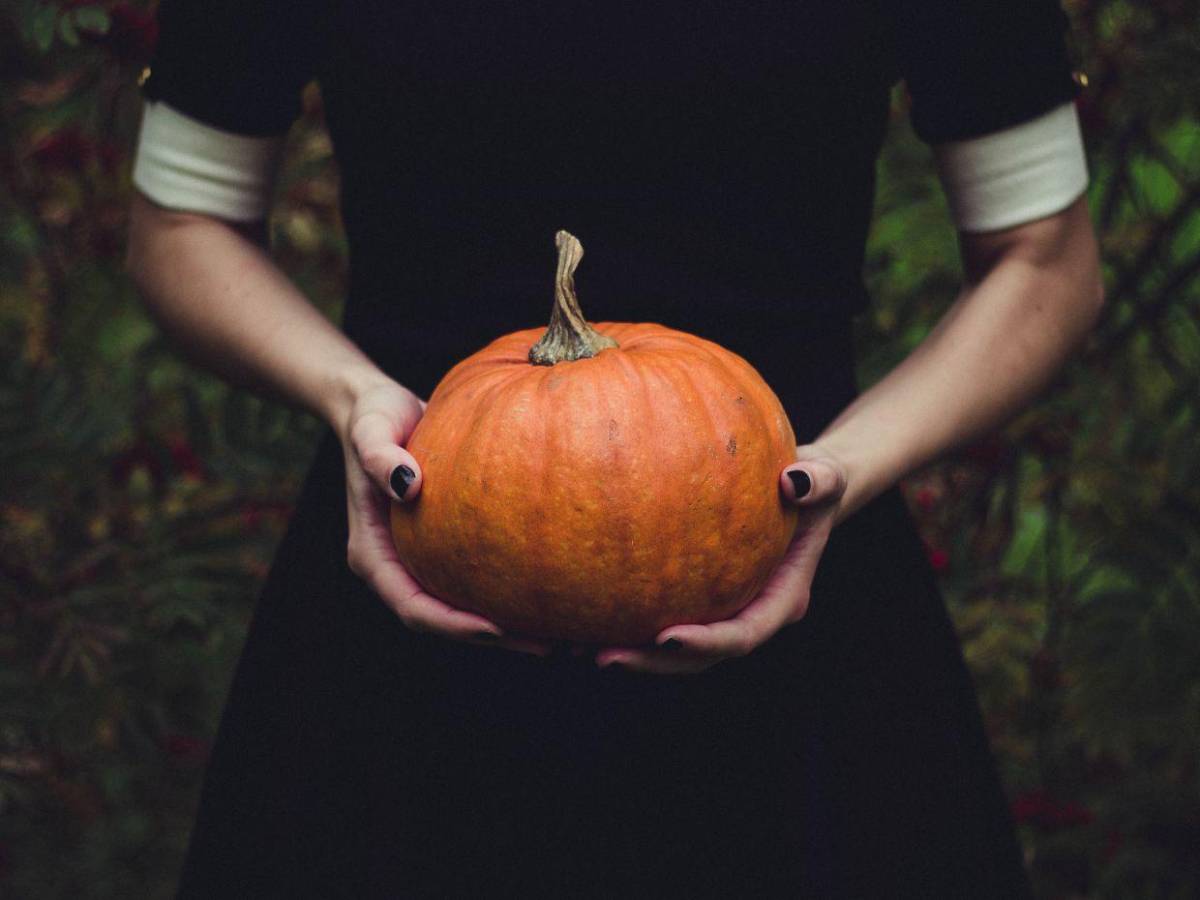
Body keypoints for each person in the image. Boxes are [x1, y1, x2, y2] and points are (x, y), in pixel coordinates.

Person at [124, 0, 1104, 896]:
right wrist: (352, 400)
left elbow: (1046, 260)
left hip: (795, 558)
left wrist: (844, 467)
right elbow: (181, 222)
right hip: (413, 539)